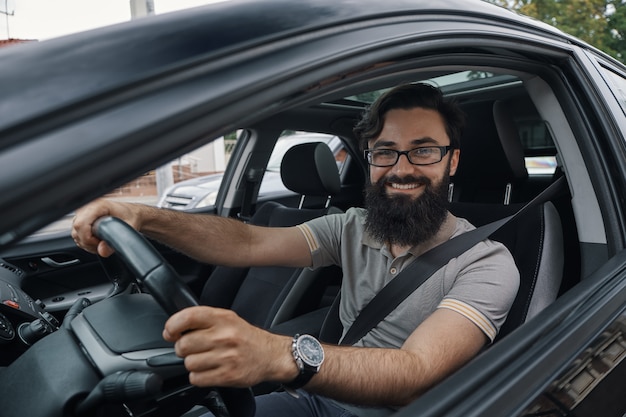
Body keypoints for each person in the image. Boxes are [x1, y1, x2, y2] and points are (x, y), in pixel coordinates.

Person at [72, 83, 519, 417]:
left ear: (452, 160)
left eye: (423, 152)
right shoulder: (350, 228)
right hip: (319, 399)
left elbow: (416, 374)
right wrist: (143, 216)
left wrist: (276, 354)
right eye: (385, 152)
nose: (401, 169)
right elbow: (247, 241)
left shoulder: (486, 262)